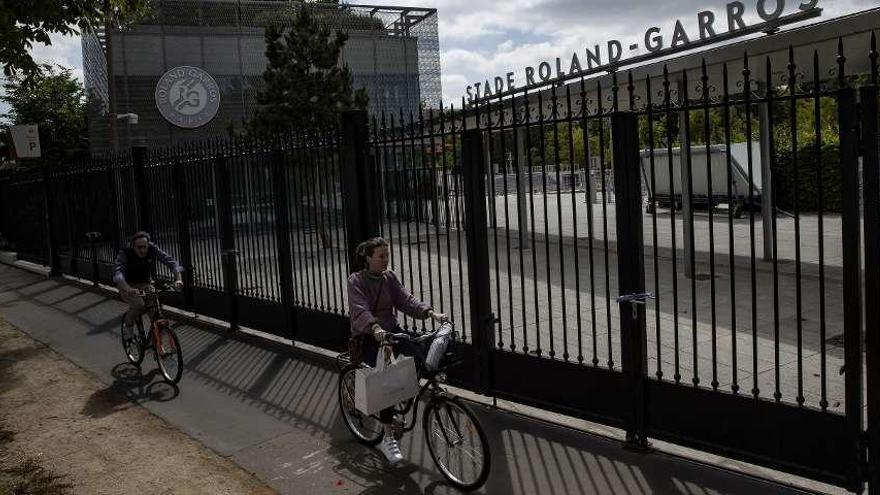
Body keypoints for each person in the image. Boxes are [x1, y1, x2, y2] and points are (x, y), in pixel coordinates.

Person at [347, 237, 447, 465]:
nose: (385, 260)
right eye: (381, 256)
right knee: (386, 382)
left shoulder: (389, 277)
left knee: (421, 357)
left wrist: (430, 313)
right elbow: (359, 309)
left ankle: (412, 396)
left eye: (387, 256)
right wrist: (375, 327)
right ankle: (387, 436)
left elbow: (405, 300)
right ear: (368, 258)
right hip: (369, 337)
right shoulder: (356, 281)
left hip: (392, 331)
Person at [114, 231, 184, 341]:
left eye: (144, 247)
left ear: (148, 244)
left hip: (145, 283)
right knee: (139, 305)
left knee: (155, 311)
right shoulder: (125, 253)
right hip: (128, 285)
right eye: (139, 247)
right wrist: (128, 288)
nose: (142, 250)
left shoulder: (153, 248)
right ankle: (128, 327)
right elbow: (118, 274)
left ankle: (155, 339)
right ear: (133, 246)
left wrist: (178, 280)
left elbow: (171, 262)